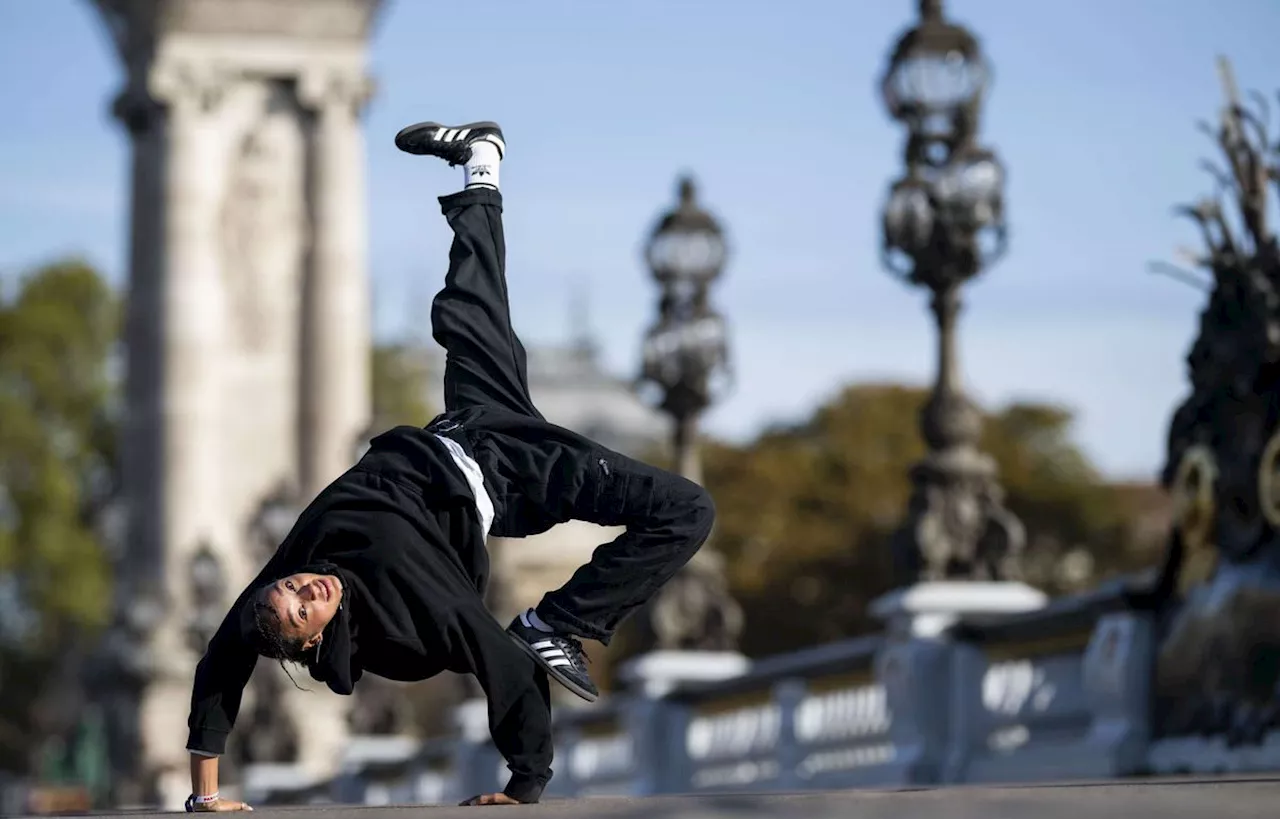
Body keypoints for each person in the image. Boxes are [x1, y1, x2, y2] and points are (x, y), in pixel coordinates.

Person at [183, 120, 716, 810]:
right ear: (312, 641)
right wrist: (524, 786)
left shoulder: (303, 552)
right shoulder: (412, 616)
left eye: (294, 585)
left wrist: (204, 795)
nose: (307, 585)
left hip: (466, 421)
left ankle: (480, 162)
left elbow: (222, 658)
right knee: (687, 509)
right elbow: (503, 665)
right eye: (303, 606)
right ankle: (562, 619)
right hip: (515, 472)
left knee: (470, 303)